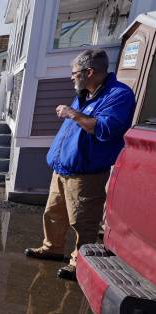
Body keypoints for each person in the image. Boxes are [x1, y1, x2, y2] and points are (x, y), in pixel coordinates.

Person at [24, 49, 136, 281]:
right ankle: (52, 248)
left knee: (82, 221)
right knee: (53, 213)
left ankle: (79, 262)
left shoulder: (118, 95)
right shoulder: (84, 94)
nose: (71, 77)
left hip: (86, 174)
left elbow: (106, 130)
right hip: (62, 169)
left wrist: (73, 114)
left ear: (90, 72)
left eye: (75, 73)